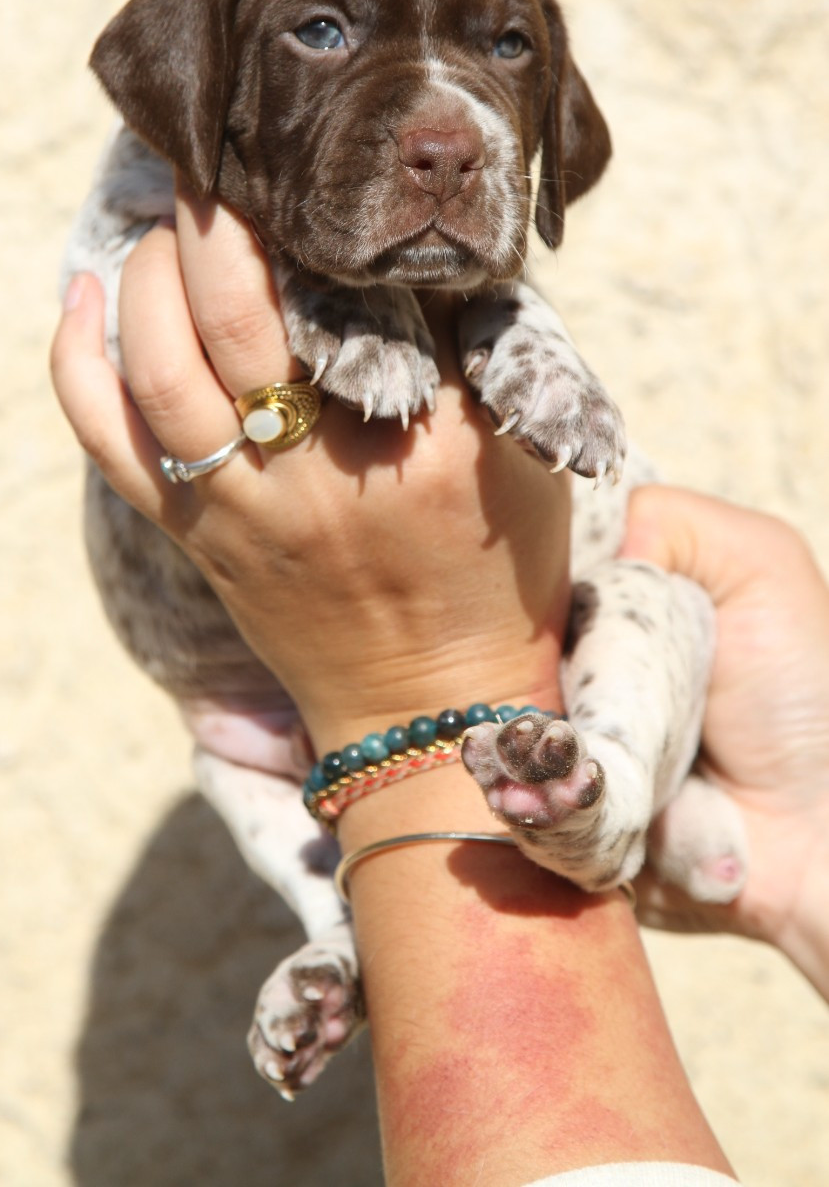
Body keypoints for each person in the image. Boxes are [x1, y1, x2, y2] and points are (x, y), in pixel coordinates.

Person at [51, 190, 828, 1186]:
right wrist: (802, 836)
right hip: (268, 716)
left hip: (590, 652)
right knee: (225, 756)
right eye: (322, 27)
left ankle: (604, 796)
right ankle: (337, 923)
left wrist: (413, 691)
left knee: (648, 594)